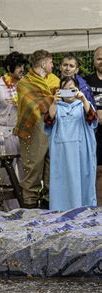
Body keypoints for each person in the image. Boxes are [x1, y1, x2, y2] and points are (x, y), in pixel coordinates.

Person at [13, 50, 60, 209]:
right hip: (34, 129)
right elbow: (33, 106)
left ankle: (48, 203)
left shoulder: (55, 81)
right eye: (51, 62)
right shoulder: (24, 83)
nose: (53, 65)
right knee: (33, 167)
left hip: (53, 127)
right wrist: (54, 99)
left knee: (51, 167)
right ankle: (30, 207)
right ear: (43, 64)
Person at [44, 76, 97, 211]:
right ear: (59, 91)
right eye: (65, 89)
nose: (68, 92)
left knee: (83, 183)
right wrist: (54, 103)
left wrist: (84, 99)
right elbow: (48, 121)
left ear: (78, 89)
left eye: (71, 89)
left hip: (81, 154)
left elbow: (92, 118)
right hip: (62, 156)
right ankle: (60, 213)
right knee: (61, 183)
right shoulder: (56, 106)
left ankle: (85, 213)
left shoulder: (83, 105)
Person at [0, 51, 28, 209]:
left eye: (23, 66)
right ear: (9, 68)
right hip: (5, 133)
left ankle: (25, 204)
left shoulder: (25, 85)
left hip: (23, 133)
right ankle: (11, 208)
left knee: (25, 170)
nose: (22, 69)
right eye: (18, 66)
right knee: (7, 173)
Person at [86, 46, 102, 205]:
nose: (101, 61)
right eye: (99, 58)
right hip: (93, 133)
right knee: (95, 169)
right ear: (94, 61)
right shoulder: (86, 81)